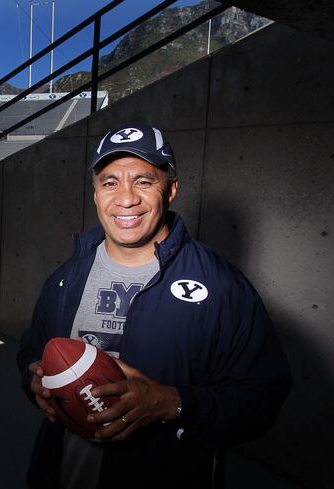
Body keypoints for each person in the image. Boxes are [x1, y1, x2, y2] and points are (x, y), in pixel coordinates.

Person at [16, 122, 292, 489]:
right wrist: (35, 380)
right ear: (96, 193)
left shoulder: (221, 285)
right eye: (110, 182)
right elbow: (32, 350)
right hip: (65, 472)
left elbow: (262, 396)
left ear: (172, 189)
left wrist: (172, 404)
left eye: (144, 181)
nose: (126, 198)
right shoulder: (67, 277)